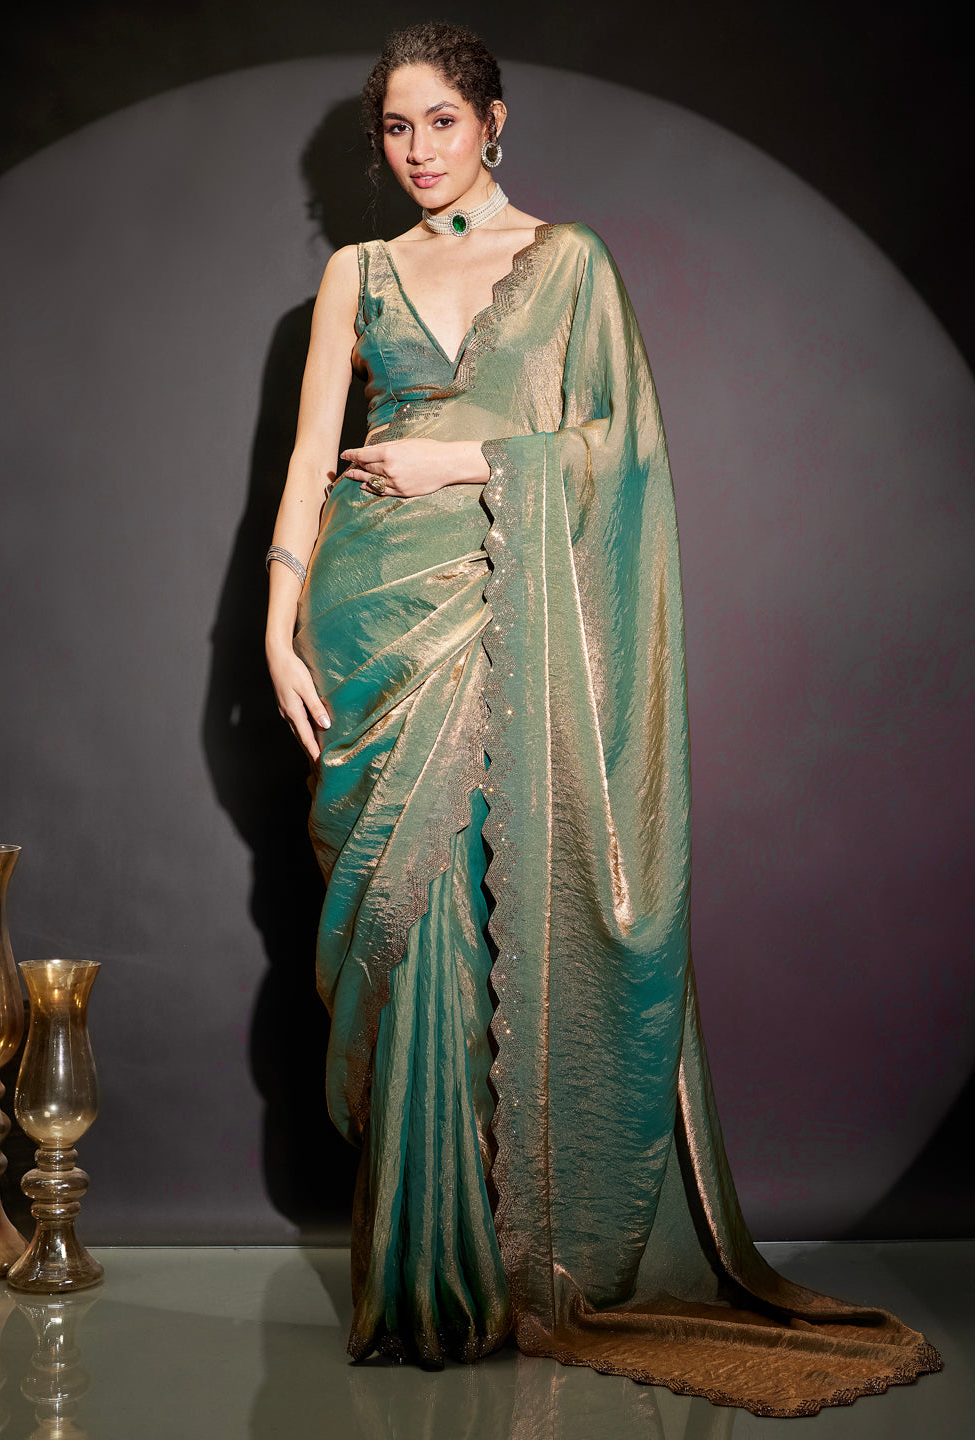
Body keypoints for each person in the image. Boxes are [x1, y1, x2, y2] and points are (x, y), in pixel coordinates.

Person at [264, 20, 941, 1417]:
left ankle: (501, 1270)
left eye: (441, 121)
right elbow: (310, 452)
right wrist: (275, 623)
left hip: (505, 622)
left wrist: (465, 459)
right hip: (372, 621)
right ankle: (422, 1282)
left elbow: (619, 449)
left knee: (489, 914)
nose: (417, 150)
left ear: (494, 121)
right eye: (395, 127)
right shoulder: (356, 274)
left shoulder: (569, 263)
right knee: (405, 938)